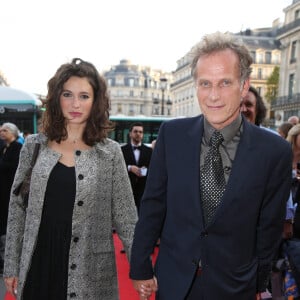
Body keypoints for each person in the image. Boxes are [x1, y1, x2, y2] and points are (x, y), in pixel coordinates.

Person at [129, 32, 292, 300]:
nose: (213, 95)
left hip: (235, 287)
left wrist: (258, 285)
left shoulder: (274, 151)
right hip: (173, 282)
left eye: (225, 83)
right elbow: (153, 206)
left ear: (243, 86)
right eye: (205, 83)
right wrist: (140, 266)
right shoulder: (172, 135)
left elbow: (269, 230)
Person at [3, 58, 138, 300]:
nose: (75, 103)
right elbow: (17, 208)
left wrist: (140, 268)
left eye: (84, 96)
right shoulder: (34, 146)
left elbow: (126, 217)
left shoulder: (110, 152)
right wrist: (11, 265)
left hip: (90, 267)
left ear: (96, 101)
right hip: (39, 260)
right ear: (57, 98)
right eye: (68, 94)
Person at [0, 123, 22, 275]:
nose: (1, 132)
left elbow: (14, 168)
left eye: (4, 130)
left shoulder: (17, 148)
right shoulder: (3, 147)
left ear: (13, 133)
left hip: (10, 191)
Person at [121, 122, 152, 213]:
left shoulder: (149, 151)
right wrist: (130, 168)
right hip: (126, 189)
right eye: (135, 131)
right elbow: (116, 168)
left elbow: (154, 169)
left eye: (140, 132)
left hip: (143, 190)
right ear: (130, 133)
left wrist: (146, 170)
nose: (138, 134)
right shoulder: (121, 150)